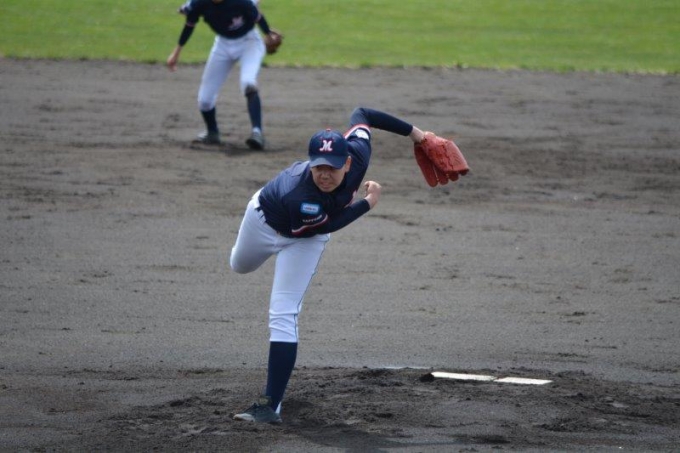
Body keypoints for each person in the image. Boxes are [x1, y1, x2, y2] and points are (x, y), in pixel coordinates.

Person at [229, 106, 427, 424]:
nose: (324, 174)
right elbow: (327, 224)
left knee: (283, 313)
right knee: (239, 265)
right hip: (263, 223)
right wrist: (368, 203)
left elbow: (363, 114)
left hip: (304, 241)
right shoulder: (300, 195)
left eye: (332, 167)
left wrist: (419, 135)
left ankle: (270, 405)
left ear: (347, 162)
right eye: (319, 166)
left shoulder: (358, 152)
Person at [166, 0, 278, 150]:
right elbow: (189, 25)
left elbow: (258, 17)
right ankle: (212, 133)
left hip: (249, 42)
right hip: (222, 45)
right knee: (204, 100)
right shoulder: (199, 3)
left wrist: (269, 34)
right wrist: (176, 53)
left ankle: (257, 133)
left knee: (248, 82)